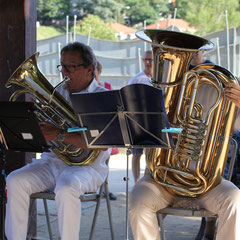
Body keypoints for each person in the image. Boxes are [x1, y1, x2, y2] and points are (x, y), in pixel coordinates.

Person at [5, 42, 112, 240]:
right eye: (62, 66)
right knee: (14, 180)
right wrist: (34, 120)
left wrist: (60, 134)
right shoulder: (57, 94)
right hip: (52, 163)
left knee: (66, 187)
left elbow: (102, 142)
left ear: (90, 69)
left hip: (88, 168)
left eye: (71, 67)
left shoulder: (102, 97)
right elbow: (46, 134)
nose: (64, 72)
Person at [129, 72, 240, 240]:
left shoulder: (222, 89)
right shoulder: (161, 90)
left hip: (207, 183)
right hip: (162, 180)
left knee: (234, 199)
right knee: (138, 201)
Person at [128, 50, 153, 183]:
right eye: (145, 60)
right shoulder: (136, 79)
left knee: (151, 155)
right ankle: (137, 182)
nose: (147, 63)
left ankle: (147, 182)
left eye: (150, 60)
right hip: (137, 122)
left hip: (153, 123)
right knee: (136, 154)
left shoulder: (161, 79)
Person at [95, 60, 118, 201]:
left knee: (106, 161)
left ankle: (105, 188)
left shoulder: (106, 87)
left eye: (96, 72)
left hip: (106, 128)